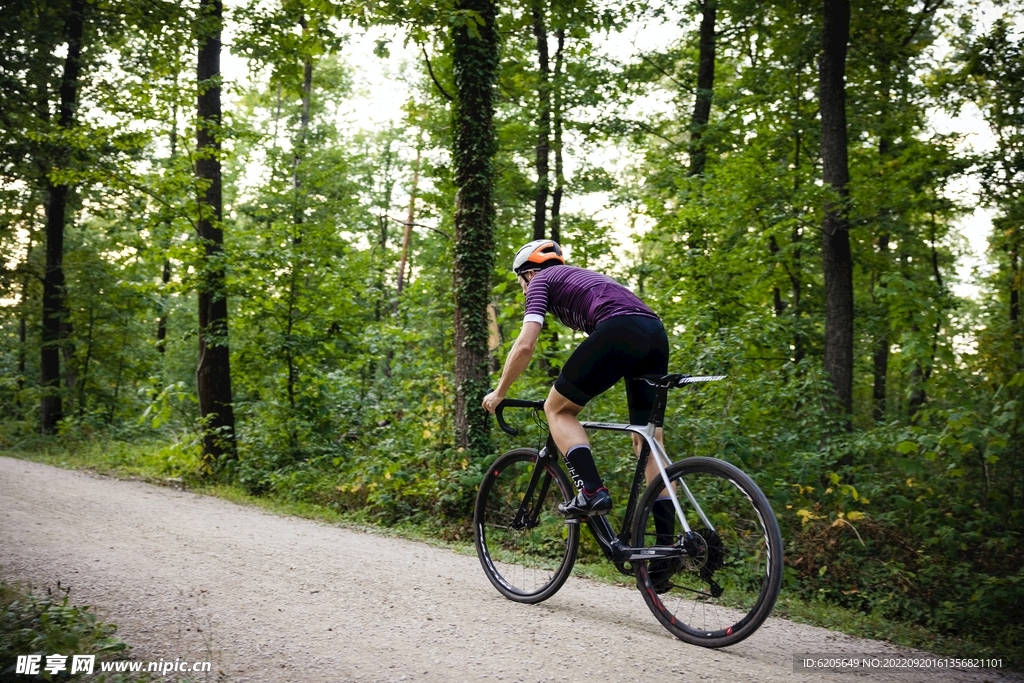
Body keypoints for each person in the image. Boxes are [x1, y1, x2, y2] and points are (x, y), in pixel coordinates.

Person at [481, 239, 671, 520]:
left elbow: (524, 345)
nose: (523, 289)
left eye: (520, 281)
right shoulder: (581, 277)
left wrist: (500, 391)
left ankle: (592, 491)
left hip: (619, 327)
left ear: (528, 273)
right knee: (648, 440)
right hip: (655, 332)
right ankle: (666, 549)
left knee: (557, 408)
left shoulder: (539, 281)